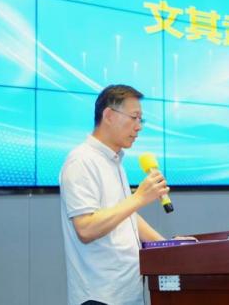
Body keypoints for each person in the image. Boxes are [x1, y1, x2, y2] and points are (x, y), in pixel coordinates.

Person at [59, 84, 168, 305]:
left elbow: (125, 215)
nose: (139, 127)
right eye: (134, 118)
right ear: (108, 115)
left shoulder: (114, 161)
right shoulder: (81, 161)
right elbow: (86, 228)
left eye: (141, 120)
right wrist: (139, 198)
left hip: (127, 293)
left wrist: (169, 248)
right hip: (100, 297)